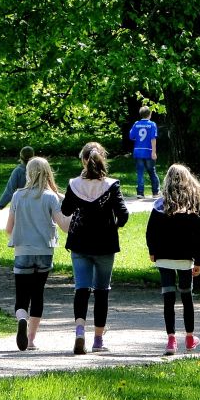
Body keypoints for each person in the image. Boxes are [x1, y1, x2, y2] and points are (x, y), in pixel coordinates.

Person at [61, 142, 129, 354]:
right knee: (102, 291)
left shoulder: (74, 184)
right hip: (105, 244)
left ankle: (80, 330)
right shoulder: (111, 185)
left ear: (83, 160)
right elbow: (124, 214)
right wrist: (113, 226)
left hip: (80, 242)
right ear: (103, 160)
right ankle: (98, 340)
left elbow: (65, 209)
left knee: (81, 288)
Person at [6, 157, 70, 351]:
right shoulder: (51, 197)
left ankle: (21, 319)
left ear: (28, 173)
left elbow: (9, 228)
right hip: (44, 251)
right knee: (38, 294)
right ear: (48, 173)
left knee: (21, 296)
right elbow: (65, 226)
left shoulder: (18, 196)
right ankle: (31, 340)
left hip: (22, 250)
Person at [146, 163, 200, 355]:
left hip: (163, 257)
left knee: (168, 298)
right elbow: (199, 236)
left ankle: (171, 339)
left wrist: (152, 251)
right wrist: (199, 260)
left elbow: (150, 232)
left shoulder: (159, 206)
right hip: (184, 258)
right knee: (186, 297)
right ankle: (189, 337)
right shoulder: (192, 207)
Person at [128, 106, 159, 199]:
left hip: (138, 151)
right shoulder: (152, 124)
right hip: (148, 151)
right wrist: (154, 152)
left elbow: (131, 136)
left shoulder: (136, 124)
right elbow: (153, 138)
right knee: (152, 171)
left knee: (140, 172)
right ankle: (155, 192)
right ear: (150, 114)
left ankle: (140, 193)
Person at [0, 146, 35, 215]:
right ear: (33, 156)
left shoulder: (18, 171)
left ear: (20, 157)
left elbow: (10, 190)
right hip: (38, 201)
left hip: (22, 203)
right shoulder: (39, 169)